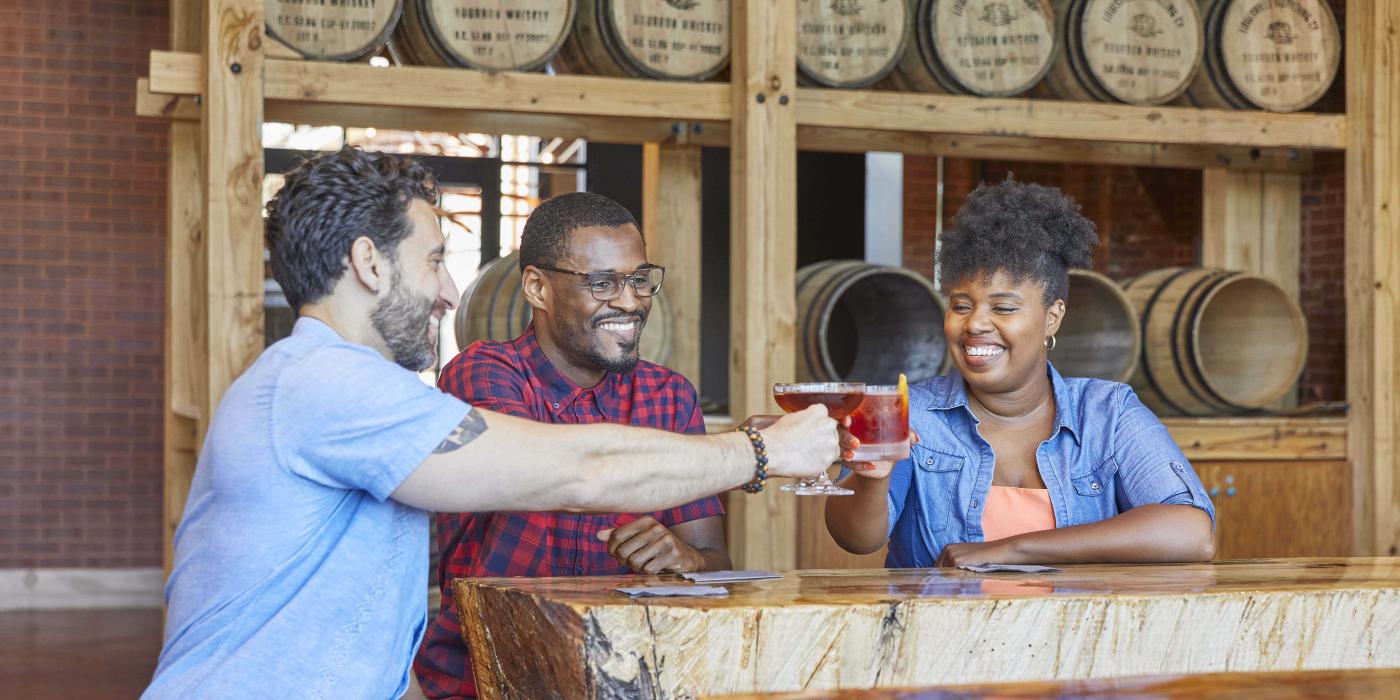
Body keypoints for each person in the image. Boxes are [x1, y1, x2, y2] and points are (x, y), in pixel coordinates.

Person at [143, 147, 838, 699]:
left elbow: (368, 628)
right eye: (437, 260)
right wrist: (763, 450)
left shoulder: (337, 387)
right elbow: (583, 470)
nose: (450, 291)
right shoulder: (327, 385)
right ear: (368, 263)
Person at [413, 192, 729, 699]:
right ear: (537, 287)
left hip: (628, 682)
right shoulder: (483, 373)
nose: (630, 301)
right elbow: (561, 472)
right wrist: (755, 452)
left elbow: (716, 560)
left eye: (639, 279)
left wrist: (686, 558)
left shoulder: (669, 395)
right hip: (492, 681)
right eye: (602, 283)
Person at [825, 179, 1216, 568]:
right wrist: (872, 479)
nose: (975, 323)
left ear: (1052, 317)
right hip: (940, 629)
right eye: (961, 305)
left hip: (1073, 629)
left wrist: (1013, 549)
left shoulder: (1108, 414)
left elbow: (1193, 534)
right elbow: (856, 540)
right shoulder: (913, 412)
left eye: (1004, 308)